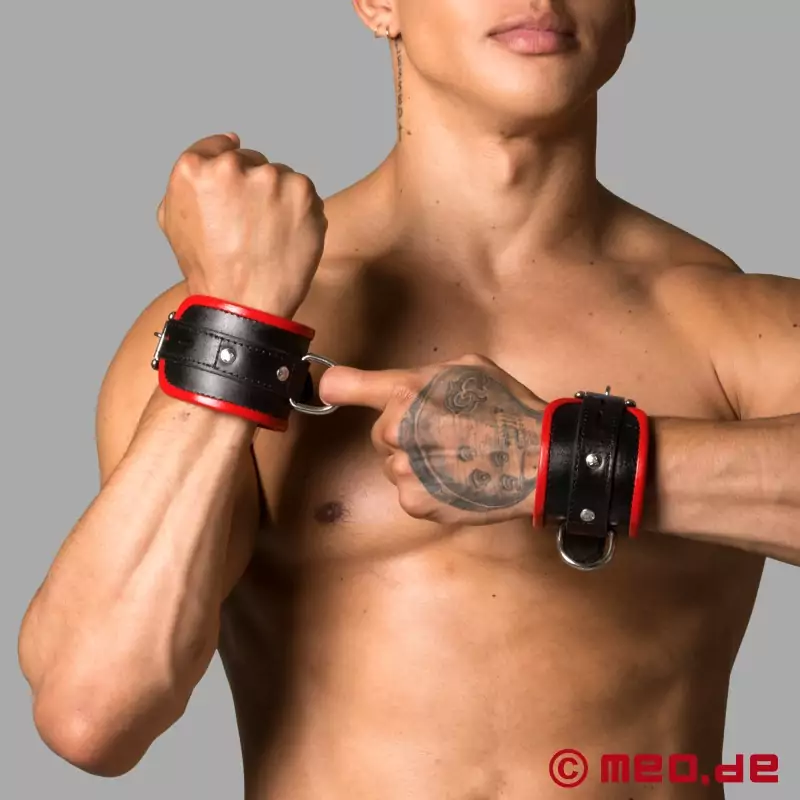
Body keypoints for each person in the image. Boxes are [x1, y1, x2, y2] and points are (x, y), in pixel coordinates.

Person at [17, 1, 800, 797]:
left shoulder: (736, 325)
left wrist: (558, 459)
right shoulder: (238, 322)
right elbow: (92, 714)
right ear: (379, 4)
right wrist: (238, 322)